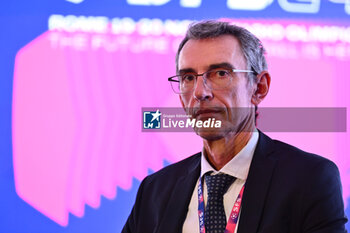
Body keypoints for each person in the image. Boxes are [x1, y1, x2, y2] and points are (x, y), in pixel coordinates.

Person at [122, 20, 347, 233]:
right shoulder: (154, 190)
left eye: (221, 74)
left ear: (259, 88)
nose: (200, 92)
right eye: (188, 78)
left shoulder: (309, 178)